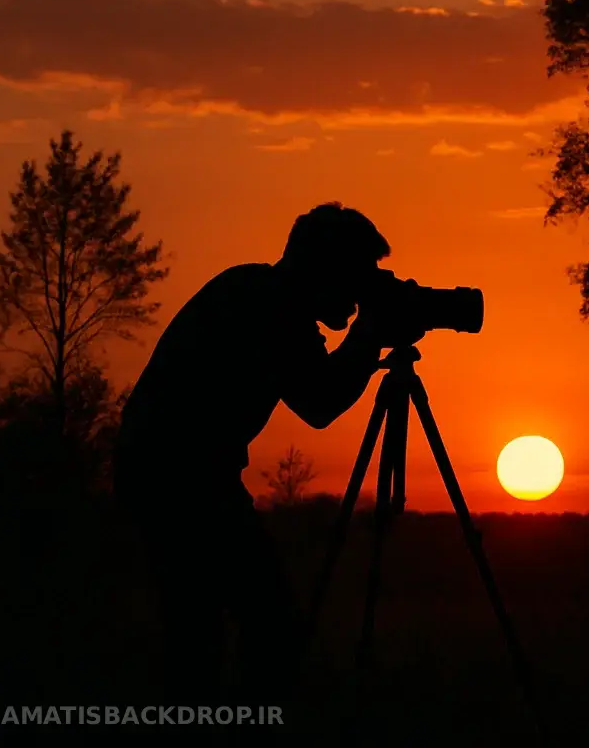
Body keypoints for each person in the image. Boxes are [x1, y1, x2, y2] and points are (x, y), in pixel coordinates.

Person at [113, 202, 422, 710]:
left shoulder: (259, 292)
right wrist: (368, 335)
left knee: (207, 630)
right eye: (356, 276)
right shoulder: (269, 305)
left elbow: (318, 390)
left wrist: (366, 339)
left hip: (179, 474)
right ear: (325, 267)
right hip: (181, 480)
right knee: (254, 626)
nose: (359, 293)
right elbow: (320, 401)